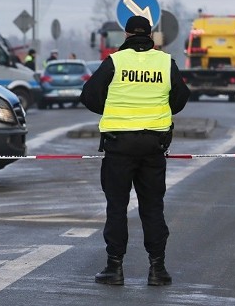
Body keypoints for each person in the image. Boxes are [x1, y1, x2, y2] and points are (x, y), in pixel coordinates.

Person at [80, 15, 190, 287]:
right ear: (151, 35)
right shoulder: (165, 62)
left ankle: (114, 269)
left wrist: (112, 108)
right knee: (153, 208)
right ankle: (158, 270)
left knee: (117, 207)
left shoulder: (115, 62)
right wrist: (160, 110)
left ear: (126, 35)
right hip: (154, 146)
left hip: (119, 146)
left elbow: (89, 94)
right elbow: (181, 97)